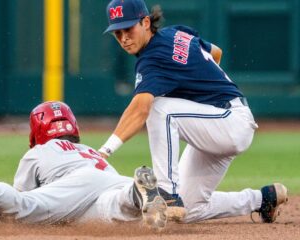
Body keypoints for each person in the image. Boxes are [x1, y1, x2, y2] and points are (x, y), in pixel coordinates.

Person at [99, 0, 288, 223]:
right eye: (117, 33)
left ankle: (166, 191)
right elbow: (216, 53)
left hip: (230, 120)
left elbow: (140, 108)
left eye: (128, 28)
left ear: (146, 22)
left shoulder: (152, 58)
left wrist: (104, 150)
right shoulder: (176, 33)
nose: (123, 38)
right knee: (187, 211)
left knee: (160, 108)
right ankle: (262, 199)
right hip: (216, 123)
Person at [0, 101, 168, 230]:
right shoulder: (89, 151)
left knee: (26, 209)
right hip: (113, 182)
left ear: (38, 129)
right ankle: (136, 194)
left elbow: (21, 199)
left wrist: (0, 216)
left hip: (74, 187)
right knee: (114, 209)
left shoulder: (39, 151)